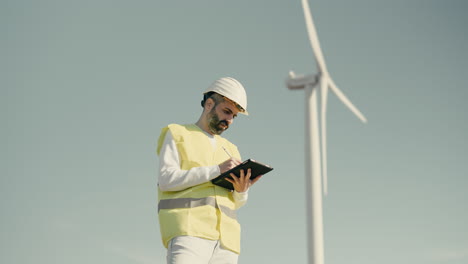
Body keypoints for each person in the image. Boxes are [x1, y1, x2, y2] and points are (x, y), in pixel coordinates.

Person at [156, 77, 262, 264]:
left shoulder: (231, 149)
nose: (229, 120)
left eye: (234, 116)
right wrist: (216, 170)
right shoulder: (177, 133)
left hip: (226, 242)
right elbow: (166, 180)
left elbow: (236, 203)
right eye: (227, 111)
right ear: (209, 104)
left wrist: (241, 191)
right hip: (189, 231)